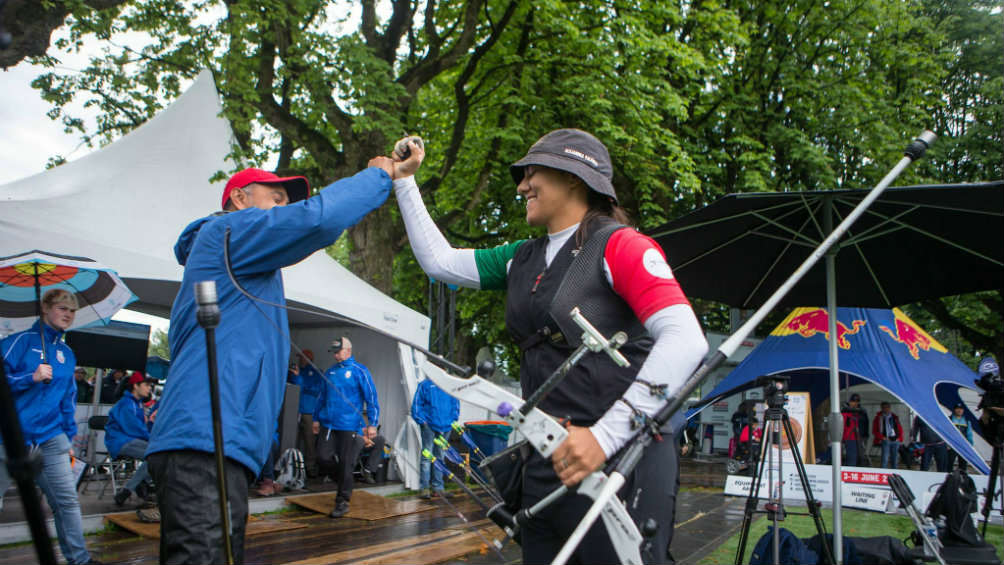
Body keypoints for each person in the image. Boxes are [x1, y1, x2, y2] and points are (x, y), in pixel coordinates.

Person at [388, 130, 708, 564]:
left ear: (574, 178)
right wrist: (404, 181)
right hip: (545, 460)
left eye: (532, 172)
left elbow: (687, 339)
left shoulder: (622, 246)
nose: (522, 186)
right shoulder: (522, 256)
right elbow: (439, 262)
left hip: (619, 460)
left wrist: (603, 436)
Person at [145, 156, 412, 564]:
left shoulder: (238, 258)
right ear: (238, 197)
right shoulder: (228, 231)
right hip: (204, 440)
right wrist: (381, 175)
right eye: (277, 197)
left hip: (215, 442)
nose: (284, 208)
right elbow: (316, 220)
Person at [0, 289, 98, 564]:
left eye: (72, 310)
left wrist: (68, 435)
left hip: (52, 438)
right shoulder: (16, 342)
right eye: (62, 308)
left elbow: (68, 399)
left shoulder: (66, 353)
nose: (68, 314)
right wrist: (29, 377)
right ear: (45, 308)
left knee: (66, 502)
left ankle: (80, 560)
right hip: (10, 438)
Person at [312, 337, 380, 518]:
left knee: (346, 461)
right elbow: (321, 397)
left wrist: (373, 423)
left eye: (338, 350)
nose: (334, 354)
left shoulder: (360, 371)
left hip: (349, 425)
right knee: (322, 457)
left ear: (347, 351)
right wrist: (316, 419)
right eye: (333, 351)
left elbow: (371, 397)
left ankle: (342, 500)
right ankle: (344, 480)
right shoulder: (330, 372)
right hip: (328, 423)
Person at [106, 371, 158, 506]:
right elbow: (134, 429)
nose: (150, 388)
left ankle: (139, 484)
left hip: (128, 439)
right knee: (157, 454)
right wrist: (154, 439)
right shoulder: (127, 404)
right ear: (136, 386)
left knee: (157, 454)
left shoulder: (137, 404)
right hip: (120, 442)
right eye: (147, 385)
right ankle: (135, 487)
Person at [411, 376, 460, 498]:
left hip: (446, 427)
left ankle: (438, 488)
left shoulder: (449, 385)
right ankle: (425, 488)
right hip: (429, 426)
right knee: (427, 457)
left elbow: (456, 404)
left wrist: (452, 420)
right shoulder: (425, 384)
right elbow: (417, 405)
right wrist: (422, 421)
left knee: (440, 457)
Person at [287, 349, 323, 476]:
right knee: (291, 438)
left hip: (309, 411)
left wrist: (299, 379)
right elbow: (292, 387)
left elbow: (315, 390)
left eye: (302, 357)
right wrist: (294, 376)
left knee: (309, 440)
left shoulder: (316, 372)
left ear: (308, 359)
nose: (300, 360)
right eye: (299, 357)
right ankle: (290, 465)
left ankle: (310, 467)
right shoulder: (298, 371)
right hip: (294, 409)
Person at [872, 401, 903, 469]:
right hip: (886, 440)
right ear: (881, 408)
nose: (886, 409)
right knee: (885, 459)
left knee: (895, 459)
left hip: (895, 440)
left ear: (890, 408)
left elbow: (899, 428)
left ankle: (895, 473)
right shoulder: (878, 418)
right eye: (884, 408)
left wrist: (899, 438)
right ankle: (883, 473)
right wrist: (882, 437)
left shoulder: (895, 417)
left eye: (887, 407)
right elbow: (874, 431)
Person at [841, 393, 869, 466]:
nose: (855, 403)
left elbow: (866, 424)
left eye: (857, 401)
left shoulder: (862, 412)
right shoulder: (845, 412)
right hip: (850, 438)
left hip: (860, 438)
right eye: (853, 401)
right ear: (850, 402)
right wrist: (842, 438)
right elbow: (842, 426)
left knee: (860, 458)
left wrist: (865, 436)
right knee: (852, 458)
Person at [946, 403, 974, 472]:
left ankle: (962, 479)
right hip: (952, 445)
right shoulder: (949, 419)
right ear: (954, 410)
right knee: (949, 463)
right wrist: (947, 444)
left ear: (963, 410)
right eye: (957, 409)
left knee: (963, 465)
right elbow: (946, 432)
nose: (959, 410)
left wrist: (970, 445)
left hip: (963, 446)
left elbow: (969, 434)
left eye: (961, 409)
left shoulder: (967, 421)